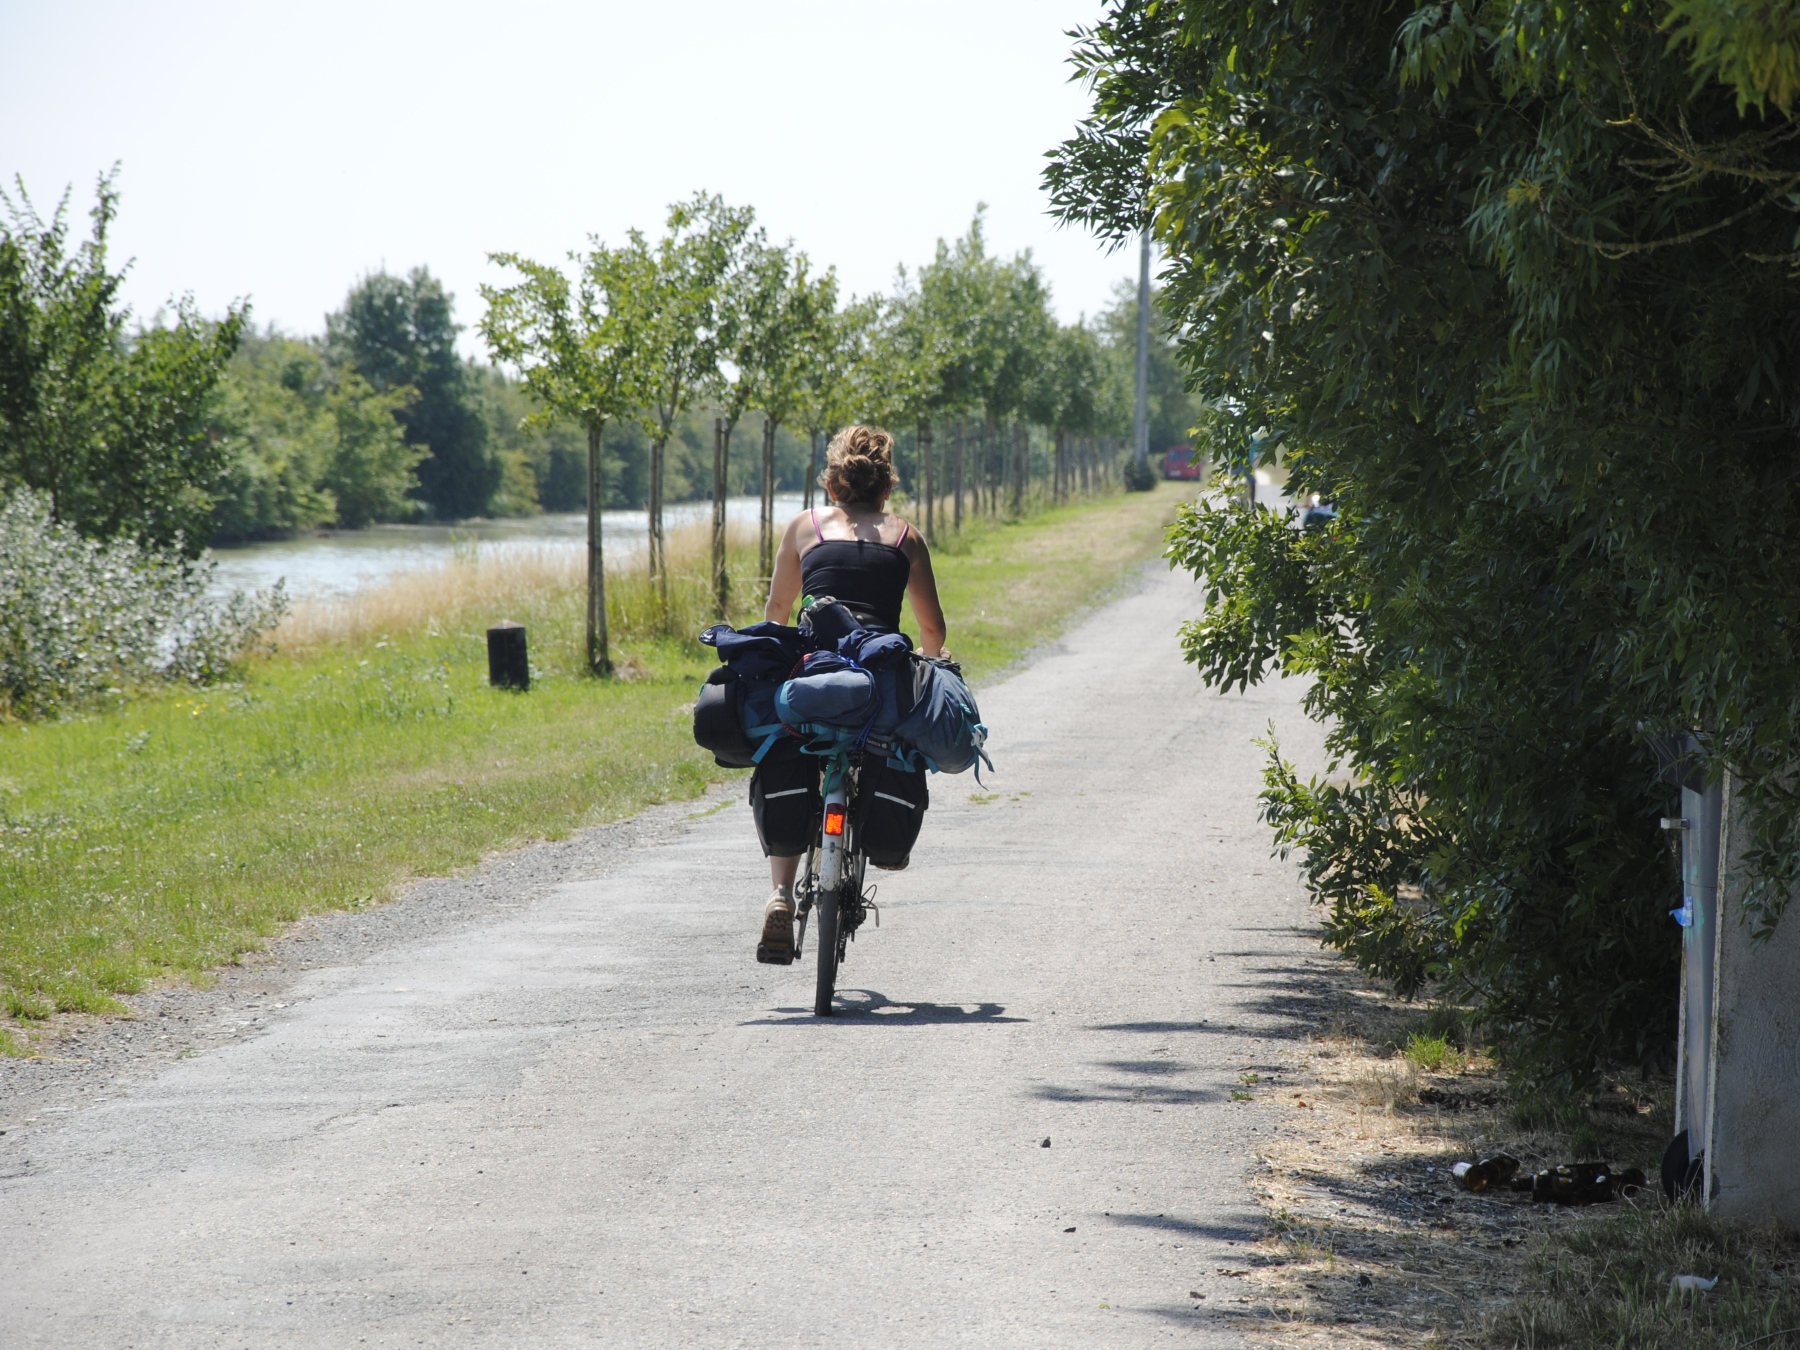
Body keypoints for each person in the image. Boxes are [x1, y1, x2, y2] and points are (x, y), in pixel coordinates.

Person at [752, 424, 947, 963]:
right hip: (879, 686)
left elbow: (776, 615)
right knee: (894, 746)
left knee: (790, 744)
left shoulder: (802, 527)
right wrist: (937, 664)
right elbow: (933, 628)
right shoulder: (905, 537)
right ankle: (882, 836)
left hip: (816, 675)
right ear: (886, 489)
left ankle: (780, 895)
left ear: (832, 487)